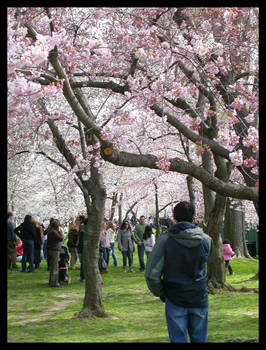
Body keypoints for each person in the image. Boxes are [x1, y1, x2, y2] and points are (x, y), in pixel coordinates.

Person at [145, 201, 213, 343]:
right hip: (198, 296)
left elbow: (152, 275)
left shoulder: (165, 241)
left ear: (174, 219)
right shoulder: (206, 241)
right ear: (194, 219)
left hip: (175, 297)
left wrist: (162, 293)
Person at [47, 219, 64, 287]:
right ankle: (54, 282)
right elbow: (61, 238)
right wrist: (60, 232)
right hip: (55, 250)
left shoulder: (50, 231)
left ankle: (51, 281)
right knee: (55, 266)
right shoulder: (54, 232)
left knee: (52, 266)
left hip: (51, 249)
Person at [77, 215, 87, 282]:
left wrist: (79, 251)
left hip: (84, 248)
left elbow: (80, 240)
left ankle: (83, 277)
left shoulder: (82, 227)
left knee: (83, 263)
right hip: (88, 248)